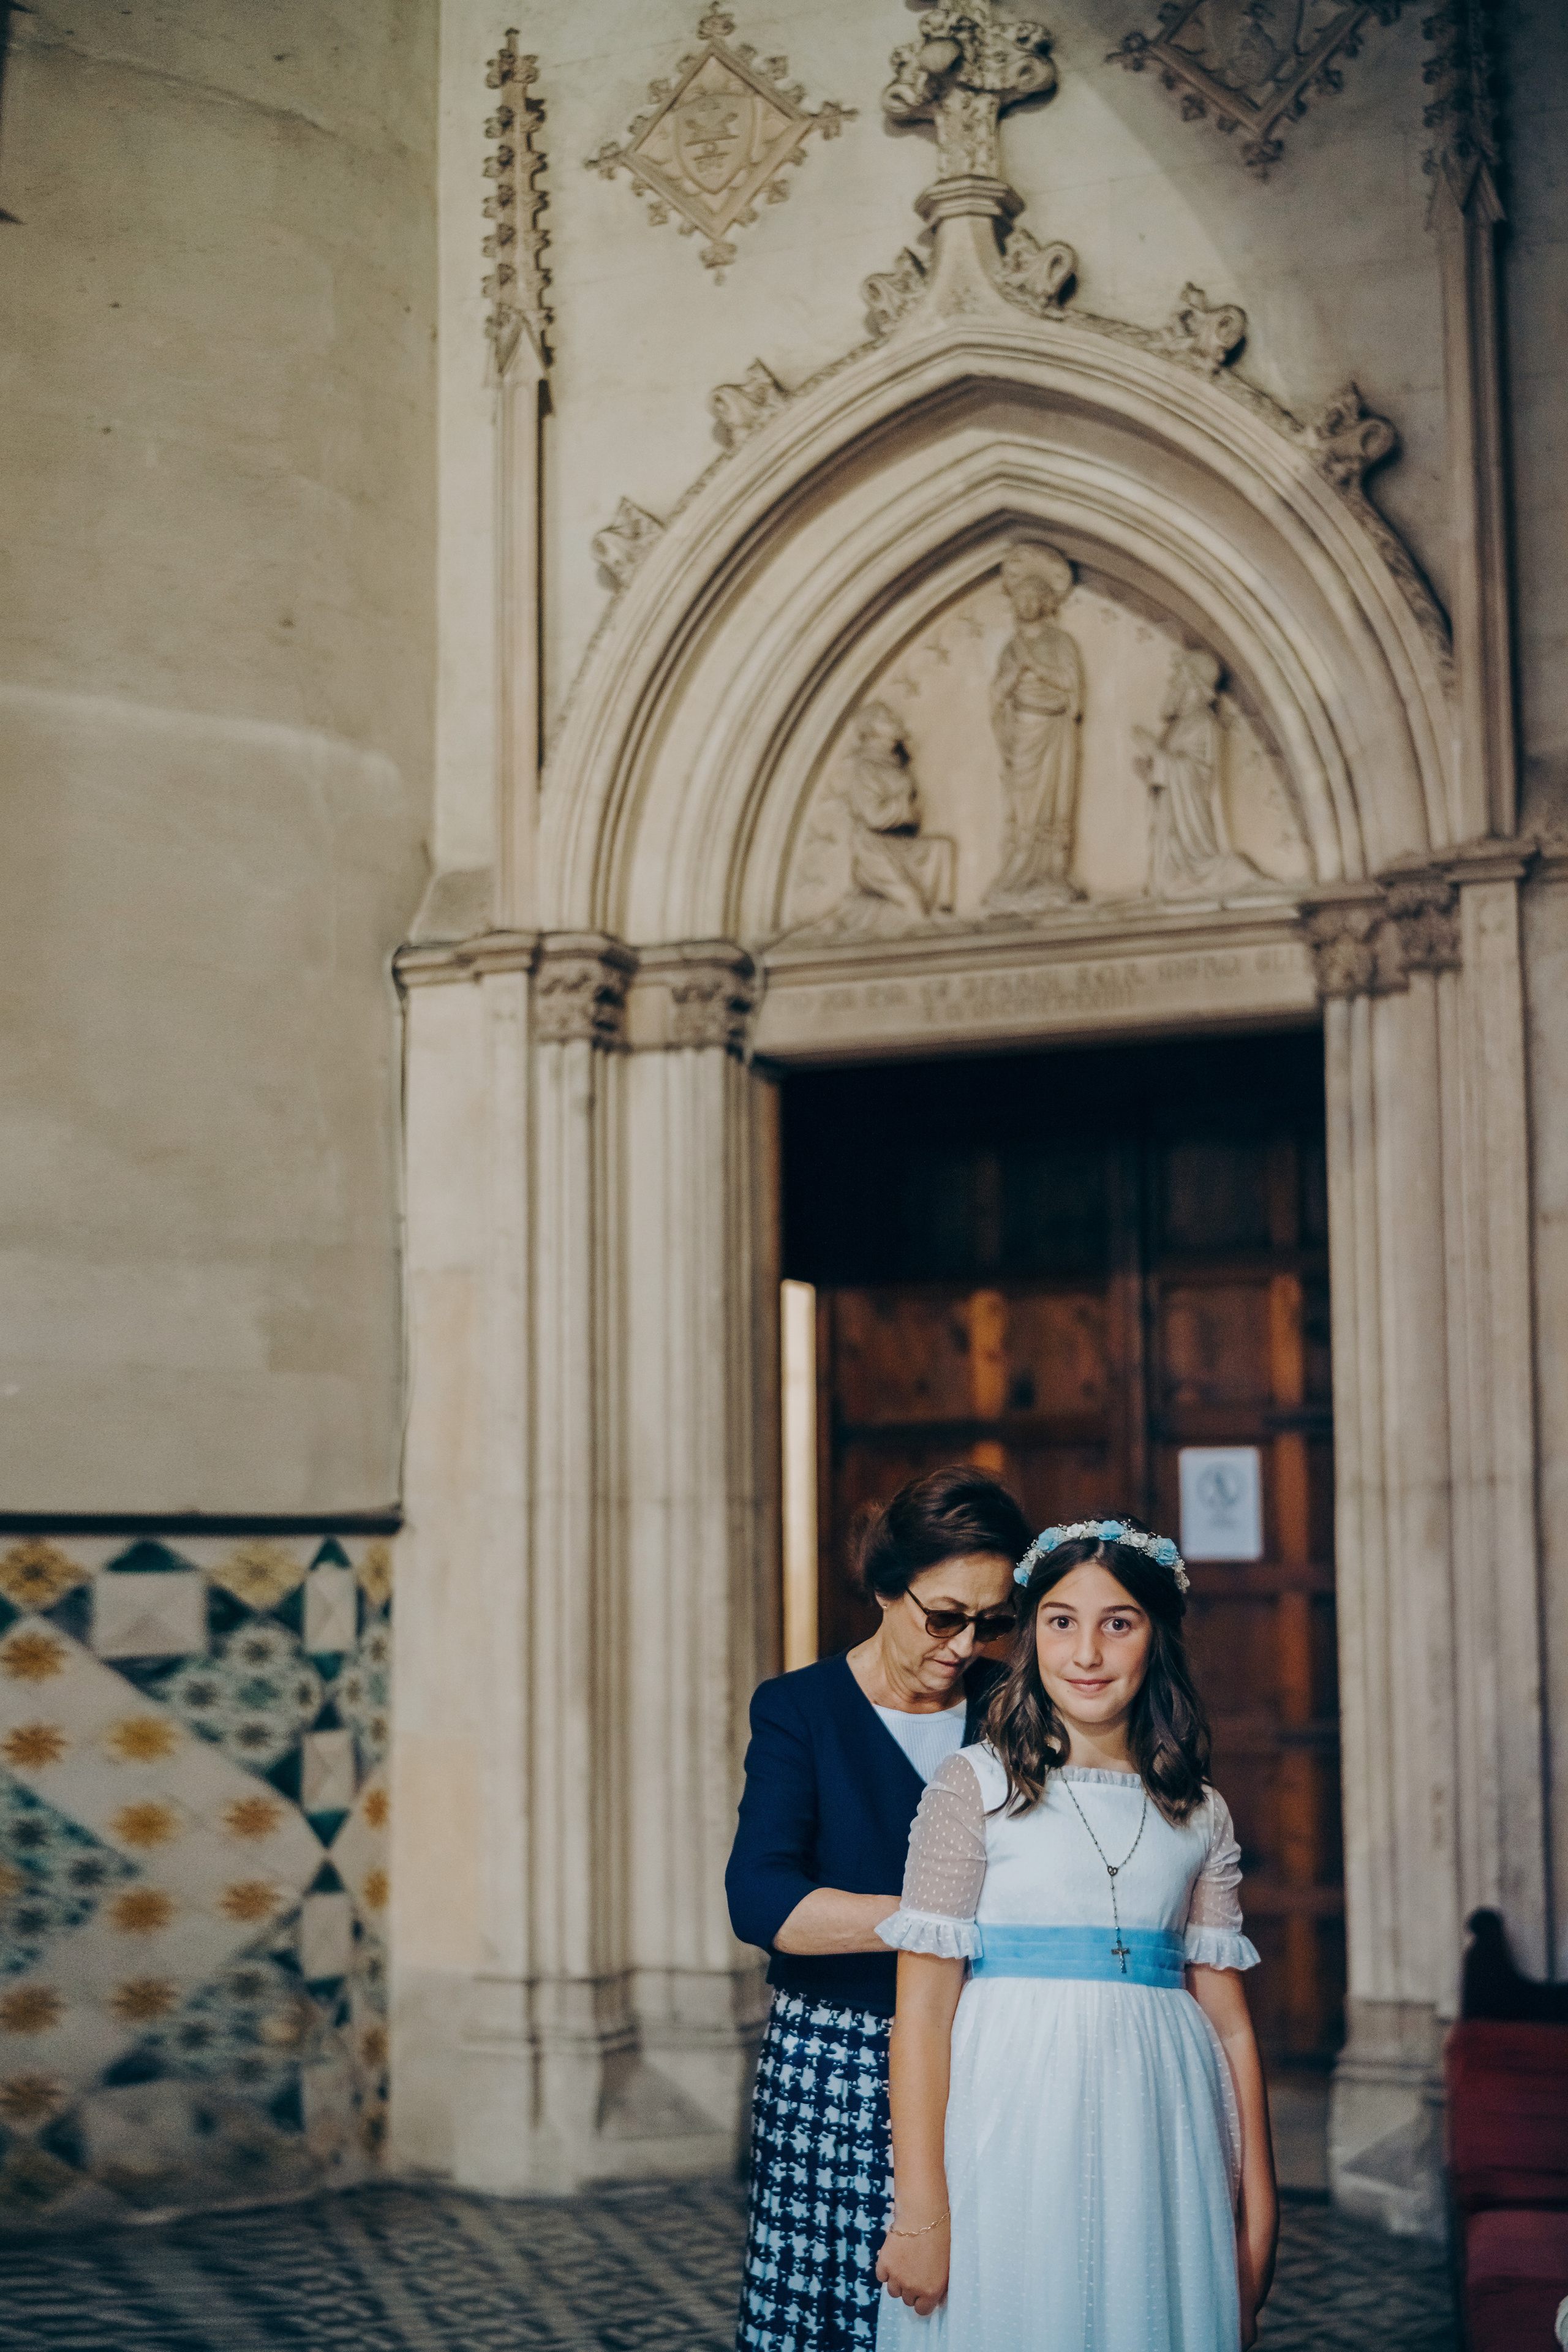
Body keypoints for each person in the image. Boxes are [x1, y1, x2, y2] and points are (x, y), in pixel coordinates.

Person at [874, 1515, 1278, 2351]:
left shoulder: (1200, 1812)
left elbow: (1230, 2026)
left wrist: (1257, 2215)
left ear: (1155, 1637)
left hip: (1161, 2129)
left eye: (1116, 1624)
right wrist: (920, 2213)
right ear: (1031, 1637)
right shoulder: (974, 1787)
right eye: (1061, 1622)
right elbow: (920, 2015)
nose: (1086, 1653)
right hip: (1012, 2117)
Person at [726, 1465, 1033, 2352]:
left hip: (980, 2045)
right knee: (839, 2308)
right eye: (944, 1616)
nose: (965, 1645)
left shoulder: (1010, 1710)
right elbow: (763, 1899)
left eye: (992, 1622)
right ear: (884, 1589)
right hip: (836, 2055)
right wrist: (934, 1918)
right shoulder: (801, 1711)